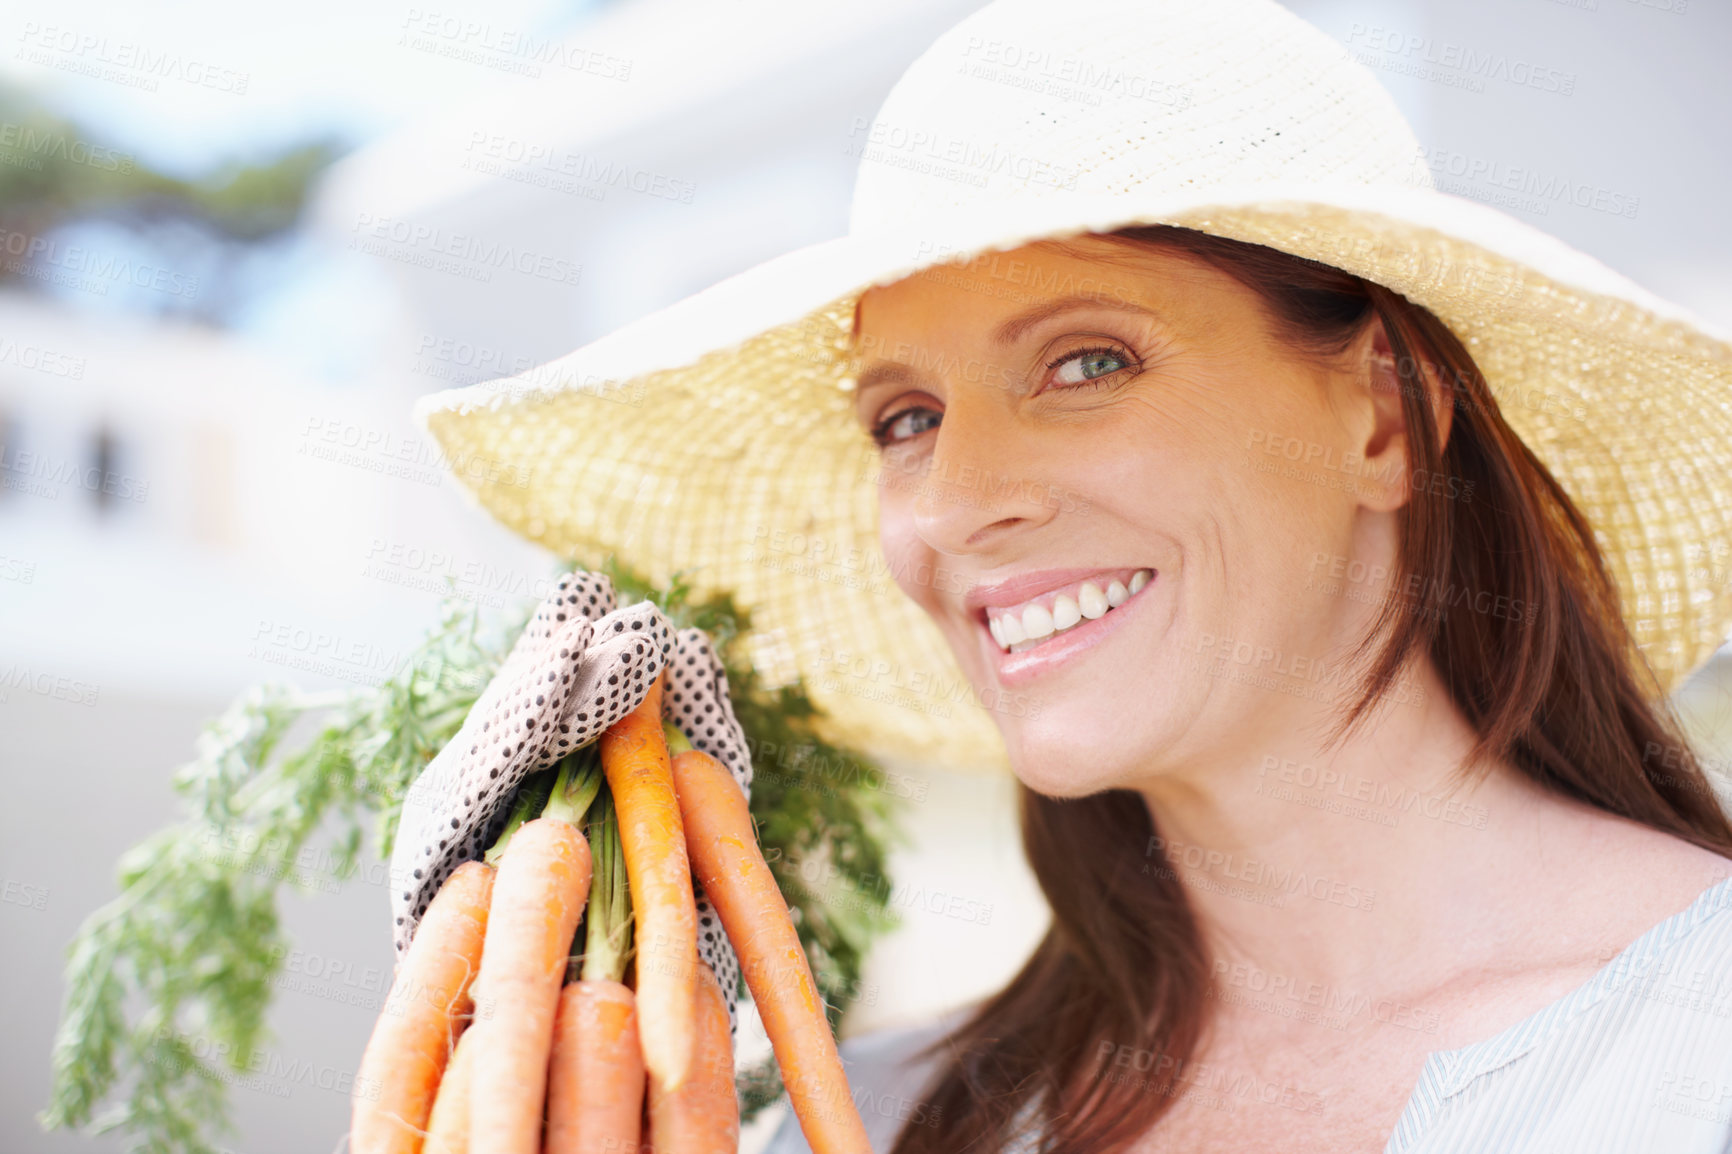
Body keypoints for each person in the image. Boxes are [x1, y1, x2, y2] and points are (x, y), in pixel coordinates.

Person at [407, 0, 1732, 1150]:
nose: (965, 504)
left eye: (1087, 361)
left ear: (1383, 417)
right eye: (904, 420)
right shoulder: (869, 1114)